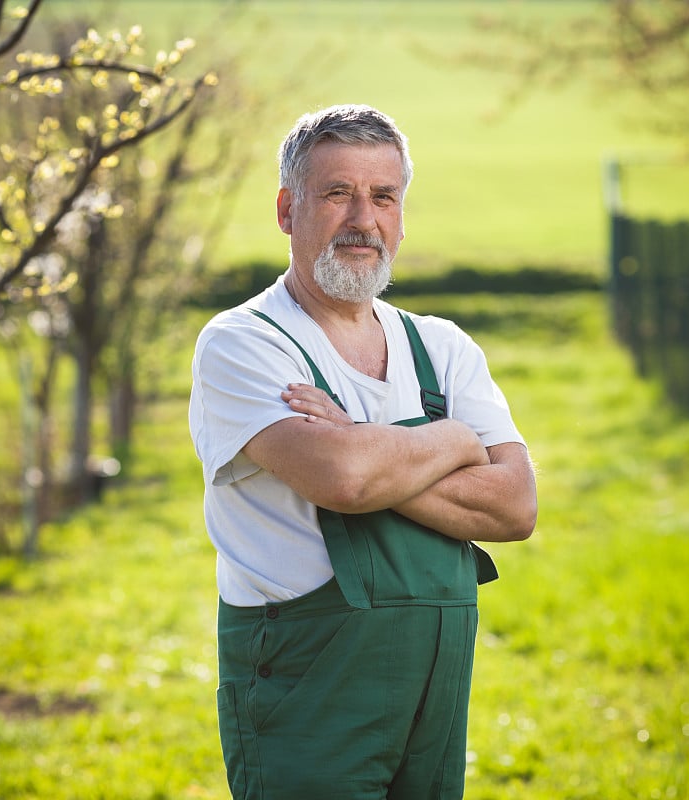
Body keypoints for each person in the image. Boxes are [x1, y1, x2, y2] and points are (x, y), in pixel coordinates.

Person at [189, 104, 537, 800]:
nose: (363, 219)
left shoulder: (441, 347)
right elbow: (344, 481)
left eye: (383, 197)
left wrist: (357, 440)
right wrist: (455, 442)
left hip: (434, 691)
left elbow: (516, 506)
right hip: (307, 688)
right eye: (337, 192)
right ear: (288, 209)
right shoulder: (245, 343)